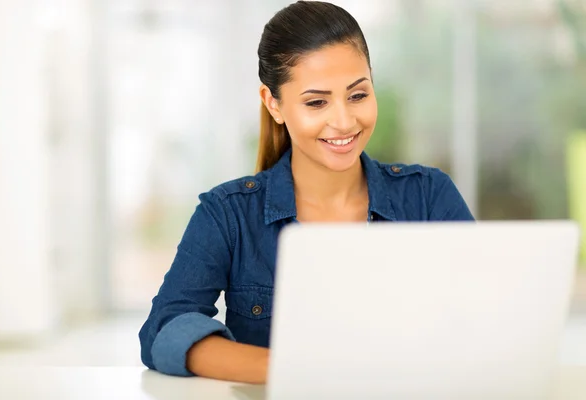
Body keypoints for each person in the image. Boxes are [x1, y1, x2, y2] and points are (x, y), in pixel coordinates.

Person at [139, 0, 474, 384]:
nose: (344, 121)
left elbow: (482, 316)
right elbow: (163, 330)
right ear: (274, 104)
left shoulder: (429, 196)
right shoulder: (228, 214)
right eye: (316, 102)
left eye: (358, 95)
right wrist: (290, 372)